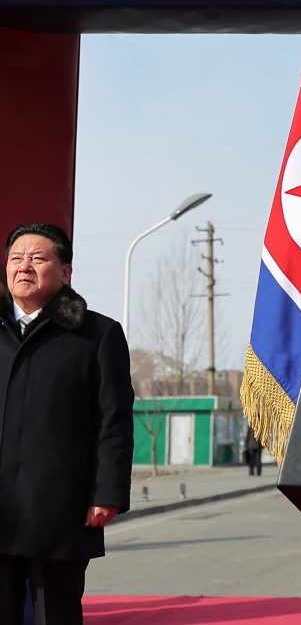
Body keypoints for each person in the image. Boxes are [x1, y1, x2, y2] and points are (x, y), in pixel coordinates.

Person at [0, 223, 134, 624]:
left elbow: (114, 419)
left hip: (60, 508)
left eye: (38, 258)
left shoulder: (97, 334)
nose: (24, 267)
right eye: (16, 258)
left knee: (53, 613)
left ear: (65, 272)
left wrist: (107, 492)